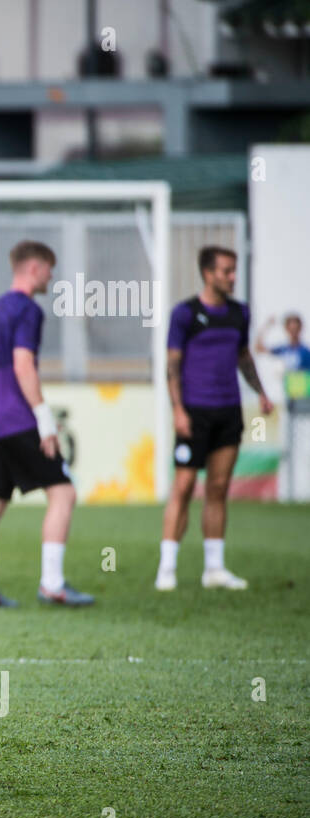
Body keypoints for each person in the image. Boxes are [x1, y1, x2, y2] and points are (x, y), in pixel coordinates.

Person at [0, 240, 93, 608]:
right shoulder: (29, 310)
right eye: (49, 269)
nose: (52, 277)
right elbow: (24, 364)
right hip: (19, 421)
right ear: (35, 268)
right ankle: (52, 583)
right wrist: (44, 419)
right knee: (63, 492)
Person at [155, 246, 273, 592]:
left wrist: (261, 391)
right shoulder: (185, 314)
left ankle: (214, 568)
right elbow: (172, 365)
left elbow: (243, 356)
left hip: (228, 411)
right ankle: (167, 567)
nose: (232, 277)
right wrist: (177, 409)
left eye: (234, 270)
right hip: (195, 413)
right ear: (208, 274)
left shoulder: (240, 313)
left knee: (219, 488)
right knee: (184, 486)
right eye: (226, 271)